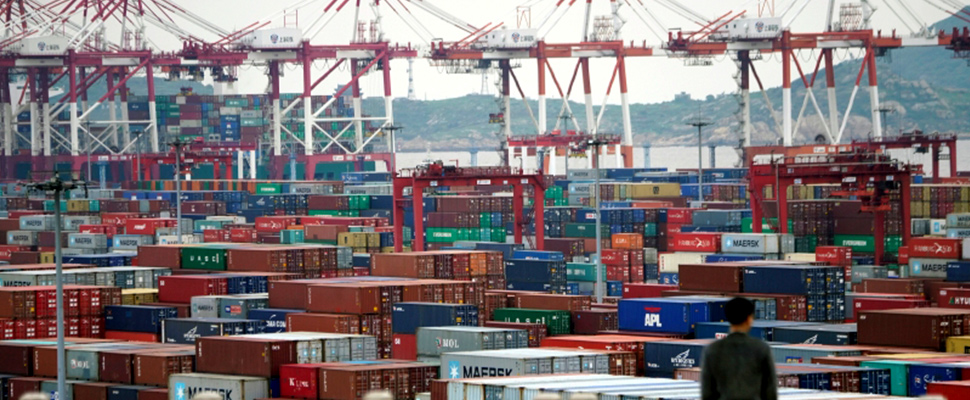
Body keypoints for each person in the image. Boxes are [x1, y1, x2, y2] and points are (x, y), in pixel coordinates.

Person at [701, 297, 778, 400]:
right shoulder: (761, 349)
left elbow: (707, 393)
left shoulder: (712, 350)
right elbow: (770, 392)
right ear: (748, 319)